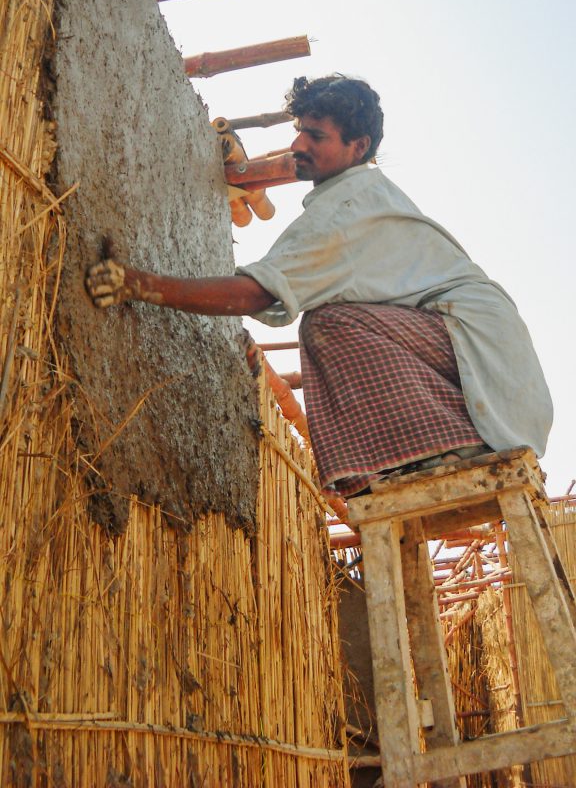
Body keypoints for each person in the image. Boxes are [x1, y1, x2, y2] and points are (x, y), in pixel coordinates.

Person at [86, 75, 553, 499]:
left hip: (479, 353)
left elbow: (257, 294)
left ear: (358, 146)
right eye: (300, 130)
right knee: (336, 321)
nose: (298, 144)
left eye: (316, 136)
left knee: (329, 324)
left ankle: (456, 447)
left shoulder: (347, 210)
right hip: (485, 353)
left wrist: (140, 284)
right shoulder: (358, 195)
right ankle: (441, 446)